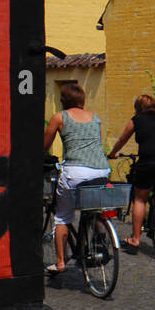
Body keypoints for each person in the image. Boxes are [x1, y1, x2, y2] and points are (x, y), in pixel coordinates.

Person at [42, 84, 109, 274]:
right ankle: (101, 239)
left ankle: (60, 262)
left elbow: (45, 146)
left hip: (76, 171)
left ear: (63, 100)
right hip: (101, 170)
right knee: (93, 207)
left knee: (62, 217)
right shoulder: (95, 118)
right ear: (82, 100)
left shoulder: (59, 117)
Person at [107, 94, 155, 253]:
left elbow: (122, 140)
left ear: (138, 108)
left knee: (140, 198)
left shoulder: (137, 120)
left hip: (150, 161)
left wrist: (112, 153)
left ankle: (135, 240)